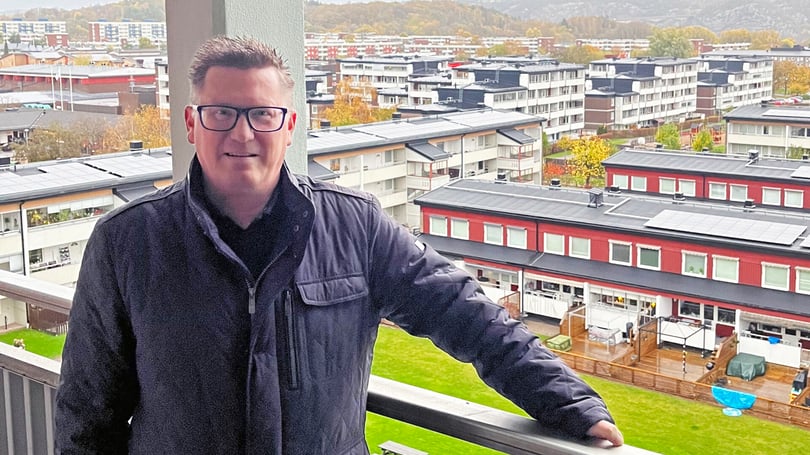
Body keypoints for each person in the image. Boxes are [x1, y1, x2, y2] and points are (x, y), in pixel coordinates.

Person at [55, 35, 623, 454]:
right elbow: (87, 407)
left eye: (262, 114)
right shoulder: (127, 243)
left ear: (289, 126)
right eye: (221, 113)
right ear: (191, 123)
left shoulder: (354, 227)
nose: (242, 132)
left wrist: (568, 403)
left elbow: (464, 313)